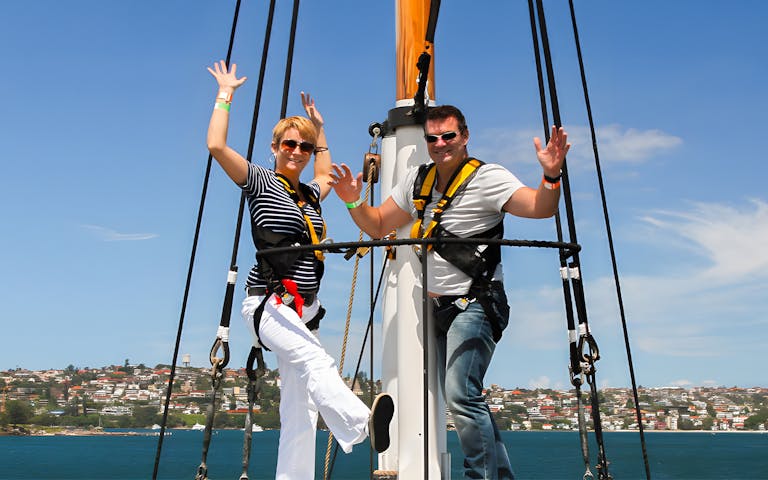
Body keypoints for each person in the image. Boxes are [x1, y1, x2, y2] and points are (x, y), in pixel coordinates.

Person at [329, 105, 570, 479]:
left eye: (448, 136)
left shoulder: (489, 178)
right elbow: (377, 225)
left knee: (459, 394)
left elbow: (540, 208)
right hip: (433, 308)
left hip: (475, 304)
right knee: (463, 397)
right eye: (432, 138)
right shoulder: (417, 181)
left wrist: (551, 174)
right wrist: (351, 200)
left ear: (465, 136)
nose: (440, 144)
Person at [206, 60, 394, 480]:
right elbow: (217, 147)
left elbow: (326, 172)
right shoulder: (259, 181)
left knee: (300, 408)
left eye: (304, 148)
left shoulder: (310, 193)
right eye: (289, 144)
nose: (297, 152)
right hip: (268, 304)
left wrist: (318, 128)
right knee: (314, 360)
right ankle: (361, 423)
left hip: (305, 309)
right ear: (275, 148)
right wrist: (225, 94)